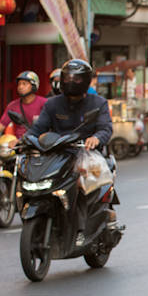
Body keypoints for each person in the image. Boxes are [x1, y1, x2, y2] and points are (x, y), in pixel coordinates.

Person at [27, 59, 113, 245]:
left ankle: (81, 230)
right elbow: (38, 128)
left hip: (86, 156)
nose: (71, 82)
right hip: (57, 155)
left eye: (76, 78)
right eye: (67, 77)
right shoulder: (52, 105)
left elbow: (105, 128)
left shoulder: (98, 103)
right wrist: (24, 140)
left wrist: (96, 138)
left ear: (86, 80)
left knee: (79, 186)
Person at [0, 71, 47, 141]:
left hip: (39, 142)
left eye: (24, 84)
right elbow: (2, 123)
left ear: (34, 85)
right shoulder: (12, 106)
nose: (20, 87)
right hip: (19, 144)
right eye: (19, 84)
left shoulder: (44, 103)